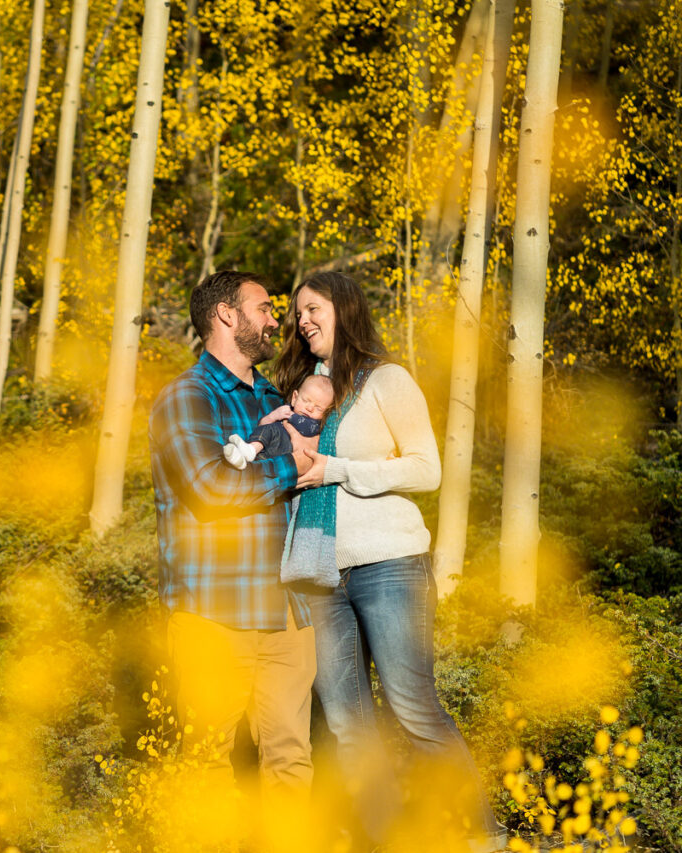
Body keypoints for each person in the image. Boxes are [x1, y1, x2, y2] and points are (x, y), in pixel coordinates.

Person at [274, 270, 507, 850]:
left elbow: (427, 468)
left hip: (388, 565)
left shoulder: (386, 381)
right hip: (318, 574)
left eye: (313, 308)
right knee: (348, 723)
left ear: (344, 309)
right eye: (297, 312)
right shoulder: (303, 395)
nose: (303, 320)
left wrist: (339, 470)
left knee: (412, 708)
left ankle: (482, 837)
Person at [148, 270, 317, 795]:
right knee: (205, 764)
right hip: (212, 614)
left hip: (288, 615)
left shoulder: (278, 399)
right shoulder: (187, 397)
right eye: (265, 308)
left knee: (291, 760)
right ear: (226, 315)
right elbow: (211, 489)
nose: (276, 319)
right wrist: (294, 466)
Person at [222, 374, 334, 468]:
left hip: (286, 452)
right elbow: (261, 425)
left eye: (318, 408)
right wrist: (273, 416)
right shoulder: (287, 408)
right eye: (305, 400)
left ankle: (250, 451)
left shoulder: (314, 424)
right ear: (294, 398)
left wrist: (290, 416)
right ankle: (244, 455)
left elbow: (306, 429)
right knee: (268, 428)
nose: (309, 408)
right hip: (268, 450)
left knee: (273, 429)